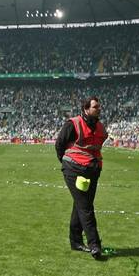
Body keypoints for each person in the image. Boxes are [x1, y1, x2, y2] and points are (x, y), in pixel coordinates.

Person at [55, 96, 107, 261]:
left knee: (81, 204)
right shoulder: (73, 124)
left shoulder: (100, 127)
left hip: (92, 170)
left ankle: (75, 241)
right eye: (95, 107)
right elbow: (59, 144)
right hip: (74, 169)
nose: (98, 109)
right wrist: (66, 163)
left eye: (99, 107)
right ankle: (95, 245)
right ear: (86, 109)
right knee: (86, 206)